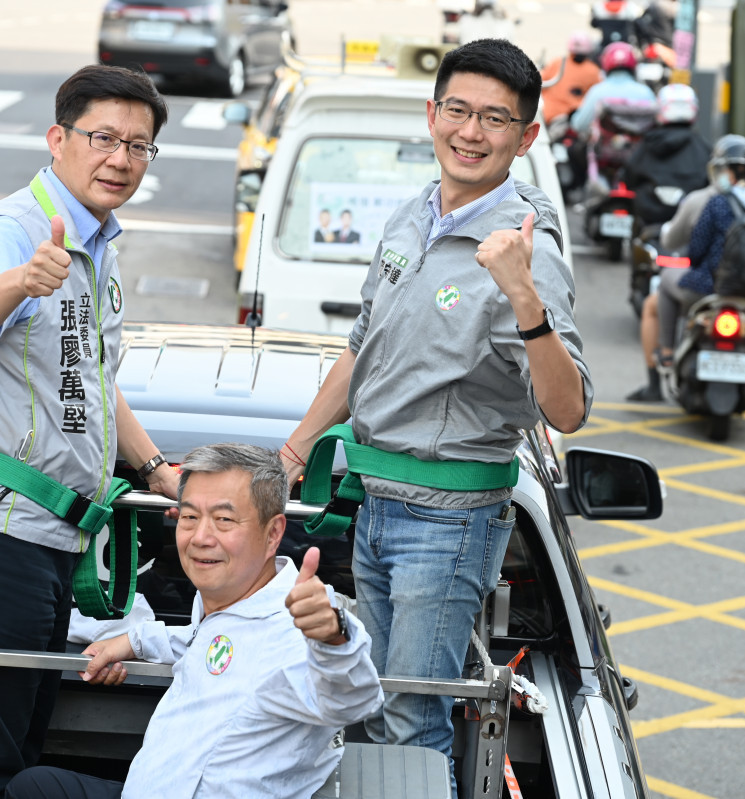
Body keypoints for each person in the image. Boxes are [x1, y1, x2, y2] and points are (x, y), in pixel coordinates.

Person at [278, 38, 592, 788]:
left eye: (495, 118)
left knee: (412, 721)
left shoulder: (527, 245)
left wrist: (524, 298)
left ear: (527, 136)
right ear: (432, 114)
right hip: (377, 506)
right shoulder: (411, 215)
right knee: (361, 703)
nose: (471, 132)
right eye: (458, 110)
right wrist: (290, 454)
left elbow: (570, 407)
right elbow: (362, 349)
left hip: (447, 521)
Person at [0, 64, 181, 799]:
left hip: (50, 539)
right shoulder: (17, 229)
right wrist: (21, 280)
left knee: (23, 740)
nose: (121, 159)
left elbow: (96, 386)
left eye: (139, 146)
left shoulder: (100, 243)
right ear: (58, 138)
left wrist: (158, 469)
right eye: (104, 138)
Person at [5, 443, 384, 799]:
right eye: (189, 516)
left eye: (223, 519)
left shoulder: (297, 631)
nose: (200, 537)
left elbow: (353, 699)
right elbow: (199, 640)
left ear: (273, 534)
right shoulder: (232, 602)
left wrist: (334, 639)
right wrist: (133, 641)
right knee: (33, 786)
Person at [630, 135, 745, 400]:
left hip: (711, 288)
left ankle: (667, 353)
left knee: (669, 278)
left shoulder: (714, 201)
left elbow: (695, 251)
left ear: (732, 171)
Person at [620, 83, 711, 227]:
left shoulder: (649, 142)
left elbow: (630, 174)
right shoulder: (702, 146)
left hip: (650, 213)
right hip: (688, 220)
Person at [568, 41, 655, 138]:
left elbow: (579, 125)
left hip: (603, 151)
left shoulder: (597, 92)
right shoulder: (645, 92)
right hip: (639, 150)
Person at [539, 31, 603, 127]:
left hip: (550, 115)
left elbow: (538, 82)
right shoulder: (593, 70)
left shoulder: (558, 62)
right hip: (570, 118)